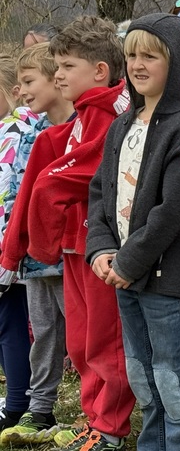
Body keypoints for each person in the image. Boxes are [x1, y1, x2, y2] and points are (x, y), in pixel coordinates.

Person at [86, 14, 180, 451]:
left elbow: (174, 209)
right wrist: (101, 249)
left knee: (172, 380)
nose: (138, 64)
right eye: (132, 54)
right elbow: (99, 192)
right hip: (122, 275)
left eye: (150, 56)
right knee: (142, 375)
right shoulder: (121, 126)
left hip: (162, 278)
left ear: (174, 64)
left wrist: (128, 261)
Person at [22, 16, 135, 451]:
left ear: (100, 71)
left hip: (100, 246)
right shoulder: (82, 117)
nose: (59, 76)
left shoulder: (111, 114)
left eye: (67, 66)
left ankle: (110, 428)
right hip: (74, 247)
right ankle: (93, 419)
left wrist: (49, 186)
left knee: (106, 340)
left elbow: (84, 171)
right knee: (81, 339)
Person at [0, 43, 74, 445]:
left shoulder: (78, 130)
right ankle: (40, 409)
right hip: (32, 259)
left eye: (30, 81)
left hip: (66, 256)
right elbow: (19, 195)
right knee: (43, 333)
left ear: (56, 81)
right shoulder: (31, 133)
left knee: (79, 336)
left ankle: (99, 415)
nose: (23, 90)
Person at [0, 55, 39, 435]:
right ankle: (15, 399)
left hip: (8, 248)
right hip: (7, 247)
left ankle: (17, 403)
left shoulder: (16, 132)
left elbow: (9, 193)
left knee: (10, 324)